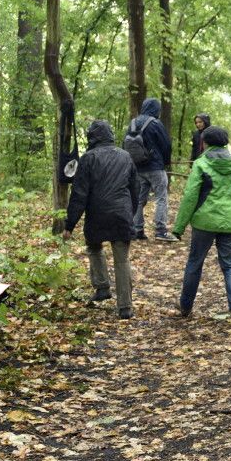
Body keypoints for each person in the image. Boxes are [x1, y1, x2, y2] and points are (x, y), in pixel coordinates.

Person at [172, 125, 231, 322]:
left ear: (205, 143)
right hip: (230, 222)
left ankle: (185, 306)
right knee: (230, 266)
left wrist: (179, 227)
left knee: (195, 263)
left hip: (204, 222)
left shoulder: (201, 164)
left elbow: (190, 196)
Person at [62, 120, 142, 319]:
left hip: (97, 214)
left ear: (92, 137)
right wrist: (130, 211)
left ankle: (102, 286)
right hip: (122, 213)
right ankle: (125, 307)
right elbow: (136, 188)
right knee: (121, 259)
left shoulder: (88, 158)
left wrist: (70, 224)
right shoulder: (125, 156)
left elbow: (79, 194)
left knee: (94, 247)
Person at [128, 97, 177, 242]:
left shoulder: (132, 123)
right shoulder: (155, 123)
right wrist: (166, 162)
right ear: (156, 109)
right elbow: (166, 145)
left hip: (137, 168)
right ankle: (160, 231)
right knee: (161, 198)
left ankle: (137, 230)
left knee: (138, 199)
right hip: (155, 167)